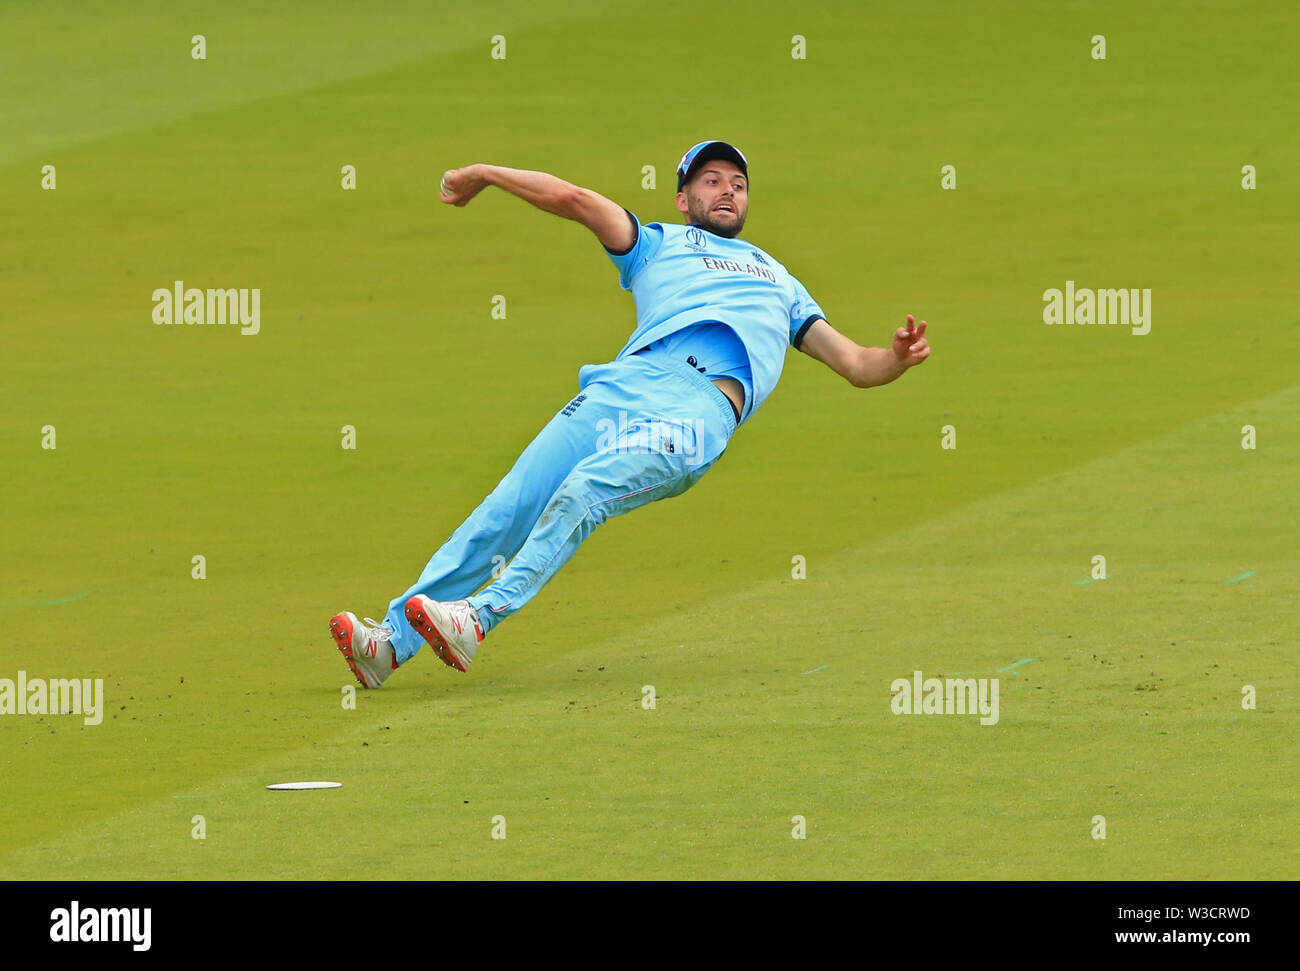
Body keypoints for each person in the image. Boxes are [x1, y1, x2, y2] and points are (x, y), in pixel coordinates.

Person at [330, 140, 931, 688]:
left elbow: (855, 363)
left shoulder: (779, 280)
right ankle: (387, 645)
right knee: (508, 506)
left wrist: (897, 359)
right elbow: (573, 199)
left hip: (698, 409)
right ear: (683, 197)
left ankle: (478, 618)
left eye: (738, 184)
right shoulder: (657, 243)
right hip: (621, 388)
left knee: (585, 490)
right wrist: (486, 173)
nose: (727, 190)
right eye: (711, 180)